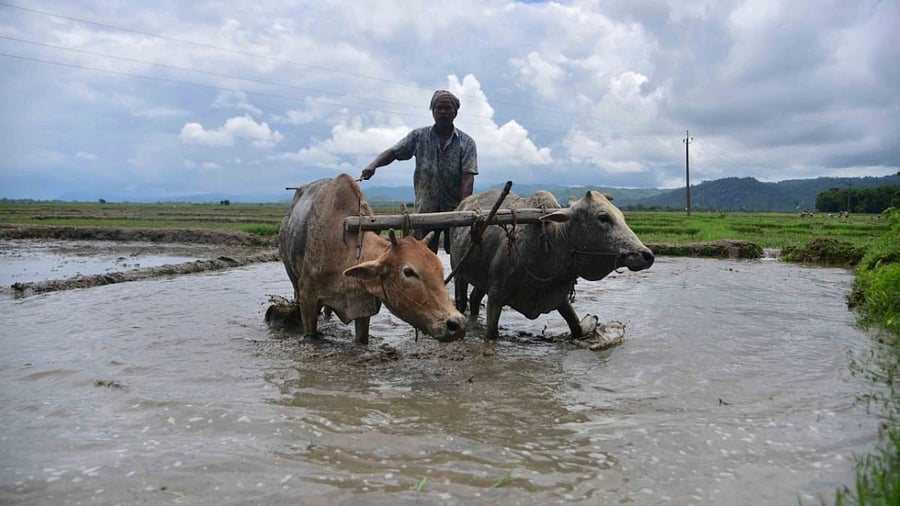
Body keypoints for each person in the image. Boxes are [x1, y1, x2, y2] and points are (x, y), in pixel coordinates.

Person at [359, 90, 478, 253]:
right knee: (423, 256)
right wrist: (373, 165)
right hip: (425, 211)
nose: (443, 112)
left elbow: (467, 178)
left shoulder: (467, 143)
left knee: (460, 256)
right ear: (433, 111)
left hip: (454, 211)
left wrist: (465, 210)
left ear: (455, 112)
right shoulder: (418, 136)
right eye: (439, 108)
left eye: (447, 108)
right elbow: (394, 152)